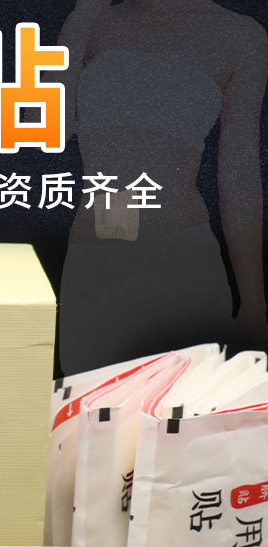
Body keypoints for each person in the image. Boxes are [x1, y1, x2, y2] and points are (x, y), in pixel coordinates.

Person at [55, 0, 268, 374]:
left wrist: (253, 300)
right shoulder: (96, 20)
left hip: (180, 262)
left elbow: (238, 172)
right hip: (93, 262)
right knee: (86, 407)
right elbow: (46, 130)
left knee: (181, 409)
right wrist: (80, 19)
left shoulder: (237, 35)